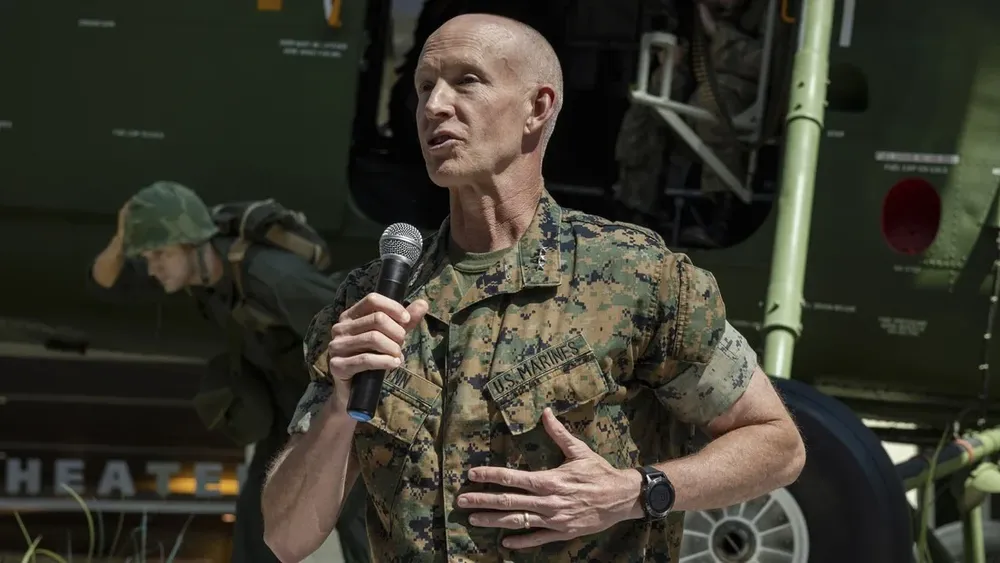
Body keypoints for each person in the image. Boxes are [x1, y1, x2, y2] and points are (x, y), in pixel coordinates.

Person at [262, 13, 804, 563]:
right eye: (425, 86)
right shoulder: (371, 301)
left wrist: (635, 492)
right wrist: (338, 409)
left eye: (466, 81)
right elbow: (286, 538)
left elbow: (776, 444)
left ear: (537, 107)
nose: (433, 106)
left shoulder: (633, 276)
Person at [86, 181, 370, 563]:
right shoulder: (194, 272)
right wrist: (124, 236)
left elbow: (349, 328)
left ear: (191, 244)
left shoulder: (270, 276)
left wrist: (346, 416)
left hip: (326, 406)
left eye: (158, 255)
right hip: (283, 407)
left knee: (358, 523)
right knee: (261, 516)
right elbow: (107, 283)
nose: (152, 268)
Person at [615, 0, 765, 247]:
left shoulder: (762, 11)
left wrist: (717, 33)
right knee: (649, 101)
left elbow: (763, 64)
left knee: (711, 102)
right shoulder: (689, 12)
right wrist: (671, 62)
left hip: (742, 95)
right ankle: (637, 206)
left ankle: (719, 216)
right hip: (697, 93)